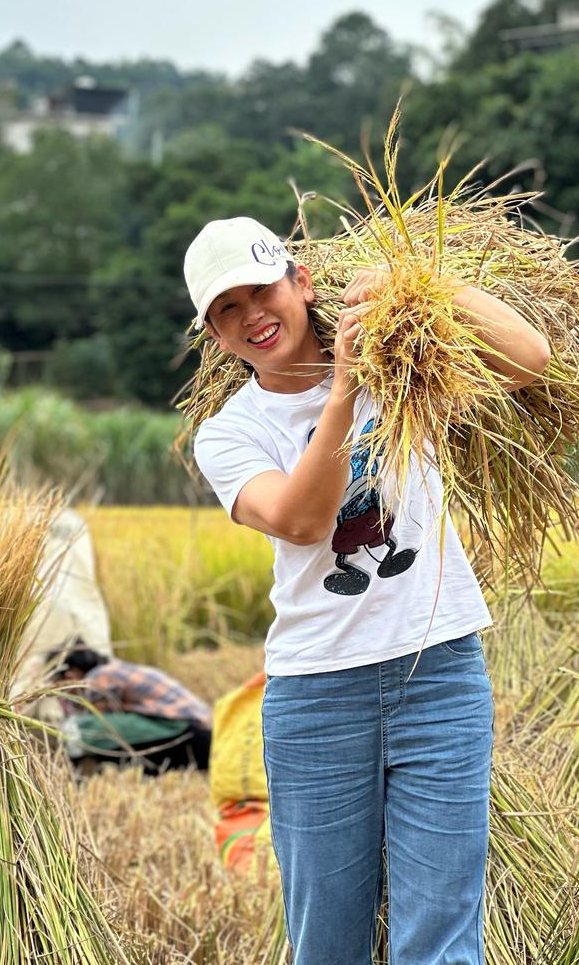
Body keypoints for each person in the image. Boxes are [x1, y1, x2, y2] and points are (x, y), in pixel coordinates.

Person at [186, 216, 550, 965]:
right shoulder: (229, 433)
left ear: (301, 283)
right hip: (317, 696)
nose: (253, 315)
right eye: (228, 309)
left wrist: (421, 286)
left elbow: (530, 360)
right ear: (215, 335)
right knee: (328, 946)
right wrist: (346, 386)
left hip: (439, 676)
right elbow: (301, 518)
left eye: (263, 291)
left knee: (443, 941)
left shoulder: (408, 371)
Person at [47, 641, 212, 773]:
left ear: (70, 675)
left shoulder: (98, 677)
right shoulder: (114, 667)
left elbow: (99, 718)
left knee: (79, 728)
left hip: (187, 732)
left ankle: (81, 773)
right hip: (200, 731)